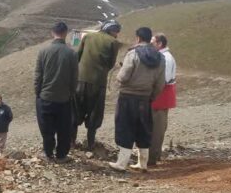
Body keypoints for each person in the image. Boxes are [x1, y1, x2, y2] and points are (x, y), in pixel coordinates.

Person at [109, 27, 165, 173]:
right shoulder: (160, 57)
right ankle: (143, 163)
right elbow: (160, 83)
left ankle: (122, 163)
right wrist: (151, 96)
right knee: (144, 129)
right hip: (145, 98)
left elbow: (123, 76)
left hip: (127, 97)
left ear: (138, 38)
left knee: (125, 128)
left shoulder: (133, 53)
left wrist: (118, 77)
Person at [73, 20, 122, 150]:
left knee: (76, 109)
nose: (117, 34)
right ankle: (90, 143)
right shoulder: (113, 42)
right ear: (111, 30)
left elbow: (78, 55)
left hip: (80, 80)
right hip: (98, 82)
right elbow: (111, 63)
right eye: (116, 31)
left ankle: (72, 141)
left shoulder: (88, 36)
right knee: (94, 112)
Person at [34, 22, 79, 163]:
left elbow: (38, 75)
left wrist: (38, 93)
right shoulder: (72, 53)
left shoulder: (43, 51)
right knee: (64, 129)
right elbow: (74, 78)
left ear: (52, 33)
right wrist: (71, 93)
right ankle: (61, 155)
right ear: (66, 33)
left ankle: (48, 153)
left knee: (46, 128)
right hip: (64, 98)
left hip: (45, 97)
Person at [148, 33, 177, 166]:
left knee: (157, 128)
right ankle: (154, 154)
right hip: (161, 96)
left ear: (159, 44)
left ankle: (152, 157)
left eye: (153, 42)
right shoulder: (163, 57)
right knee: (157, 127)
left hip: (161, 96)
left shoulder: (165, 58)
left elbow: (163, 80)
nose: (151, 44)